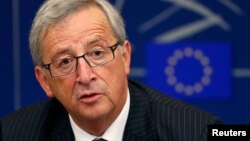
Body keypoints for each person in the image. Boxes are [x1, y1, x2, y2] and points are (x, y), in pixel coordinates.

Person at [0, 0, 221, 140]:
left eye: (97, 53)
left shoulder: (197, 132)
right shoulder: (12, 134)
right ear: (45, 81)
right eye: (65, 62)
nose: (85, 76)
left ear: (125, 57)